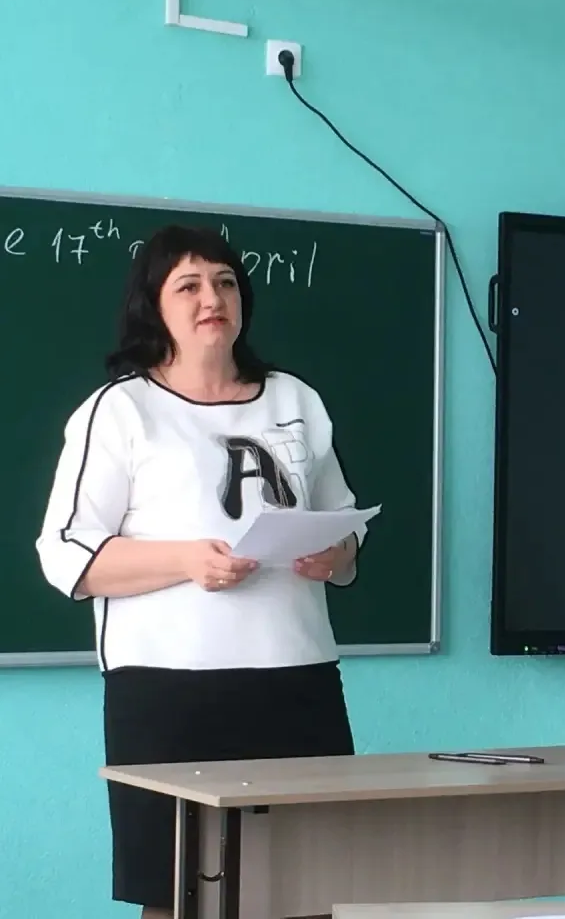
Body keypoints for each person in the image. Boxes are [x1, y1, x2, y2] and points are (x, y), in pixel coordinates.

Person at [34, 224, 368, 918]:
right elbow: (67, 553)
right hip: (168, 693)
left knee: (312, 892)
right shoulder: (120, 410)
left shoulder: (295, 400)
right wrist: (186, 560)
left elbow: (345, 522)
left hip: (298, 681)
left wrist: (336, 553)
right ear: (154, 305)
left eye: (224, 282)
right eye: (188, 285)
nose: (211, 298)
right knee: (178, 893)